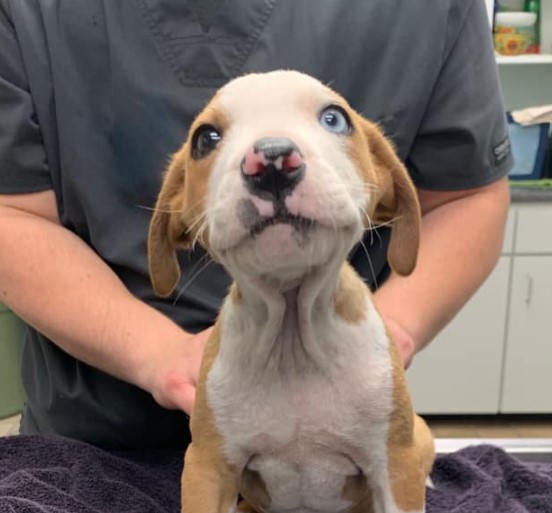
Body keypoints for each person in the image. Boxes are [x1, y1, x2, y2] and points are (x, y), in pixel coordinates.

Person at [0, 0, 512, 449]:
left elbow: (463, 197)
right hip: (102, 441)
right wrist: (160, 354)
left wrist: (390, 331)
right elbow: (13, 213)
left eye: (331, 121)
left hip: (340, 430)